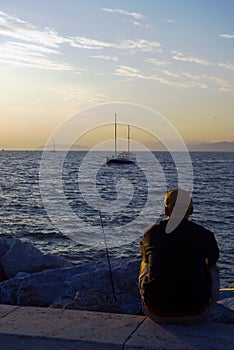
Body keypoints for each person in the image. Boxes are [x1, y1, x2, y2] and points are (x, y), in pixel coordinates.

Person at [139, 188, 220, 324]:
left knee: (145, 262)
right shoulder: (204, 235)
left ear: (166, 211)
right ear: (190, 211)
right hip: (196, 312)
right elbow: (213, 262)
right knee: (212, 266)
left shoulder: (151, 234)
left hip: (156, 311)